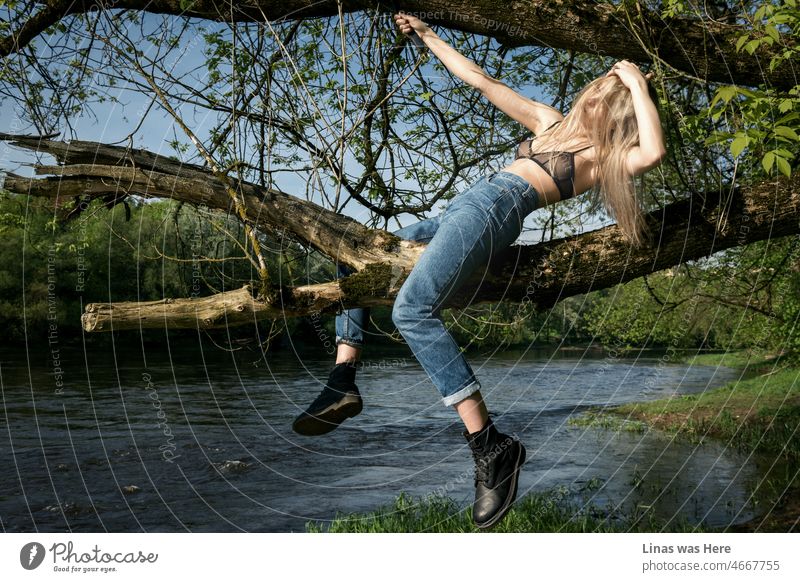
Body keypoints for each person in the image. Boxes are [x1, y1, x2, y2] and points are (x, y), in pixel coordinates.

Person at [292, 12, 666, 529]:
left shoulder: (604, 154)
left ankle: (491, 446)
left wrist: (637, 83)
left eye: (610, 95)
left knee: (413, 310)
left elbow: (653, 152)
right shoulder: (548, 122)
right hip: (460, 211)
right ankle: (343, 377)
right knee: (355, 252)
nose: (597, 94)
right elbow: (481, 79)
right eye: (599, 85)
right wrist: (427, 36)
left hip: (494, 211)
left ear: (617, 112)